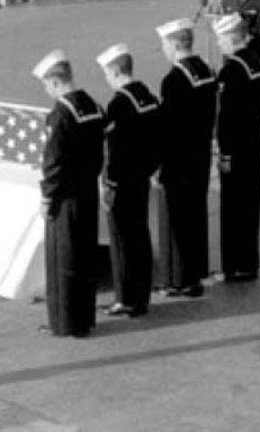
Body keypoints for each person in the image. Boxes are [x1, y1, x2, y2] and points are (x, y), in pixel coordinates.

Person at [32, 50, 104, 337]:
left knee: (64, 261)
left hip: (66, 198)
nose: (46, 90)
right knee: (86, 257)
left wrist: (47, 197)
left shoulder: (61, 114)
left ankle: (65, 321)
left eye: (46, 85)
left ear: (54, 81)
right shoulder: (94, 106)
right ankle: (84, 317)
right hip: (88, 192)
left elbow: (54, 161)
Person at [96, 43, 160, 318]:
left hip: (123, 182)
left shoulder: (119, 103)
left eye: (106, 74)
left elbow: (115, 151)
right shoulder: (147, 96)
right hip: (142, 177)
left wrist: (109, 185)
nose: (106, 79)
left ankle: (126, 297)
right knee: (140, 236)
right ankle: (141, 295)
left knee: (122, 241)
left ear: (115, 71)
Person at [156, 18, 217, 297]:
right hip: (200, 154)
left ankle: (182, 278)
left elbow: (169, 127)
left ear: (173, 44)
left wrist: (159, 164)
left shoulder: (174, 79)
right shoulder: (205, 70)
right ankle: (196, 272)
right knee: (196, 214)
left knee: (179, 221)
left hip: (179, 160)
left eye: (164, 45)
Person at [213, 13, 260, 282]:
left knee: (233, 207)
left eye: (220, 39)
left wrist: (223, 152)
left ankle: (233, 266)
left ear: (229, 38)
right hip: (255, 141)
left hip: (236, 147)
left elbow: (227, 117)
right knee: (250, 205)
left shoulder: (231, 69)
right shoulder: (255, 62)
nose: (219, 44)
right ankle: (249, 262)